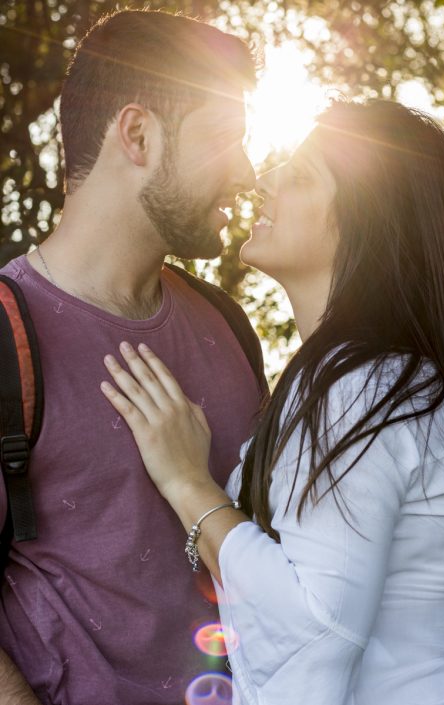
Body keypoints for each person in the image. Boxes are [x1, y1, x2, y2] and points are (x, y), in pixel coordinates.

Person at [101, 99, 444, 705]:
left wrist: (189, 485)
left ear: (366, 223)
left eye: (299, 177)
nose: (264, 180)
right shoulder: (383, 381)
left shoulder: (364, 388)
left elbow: (313, 627)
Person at [0, 9, 266, 705]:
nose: (245, 171)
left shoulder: (230, 327)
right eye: (224, 139)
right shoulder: (6, 334)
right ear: (139, 135)